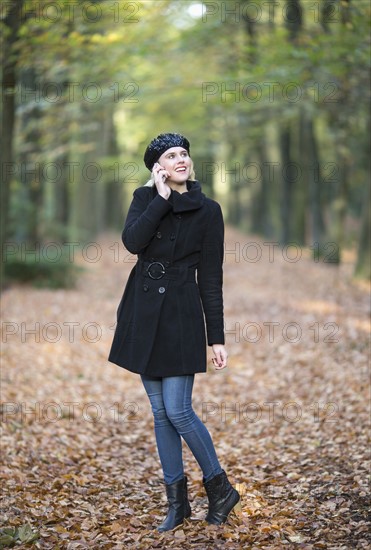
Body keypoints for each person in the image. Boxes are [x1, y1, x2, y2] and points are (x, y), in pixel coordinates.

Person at [108, 133, 240, 532]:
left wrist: (215, 337)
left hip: (182, 314)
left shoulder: (209, 210)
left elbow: (212, 279)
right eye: (171, 156)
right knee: (160, 414)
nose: (181, 159)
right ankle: (177, 503)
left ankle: (220, 489)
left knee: (179, 409)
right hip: (143, 311)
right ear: (158, 167)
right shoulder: (145, 199)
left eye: (184, 153)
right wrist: (161, 199)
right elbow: (133, 242)